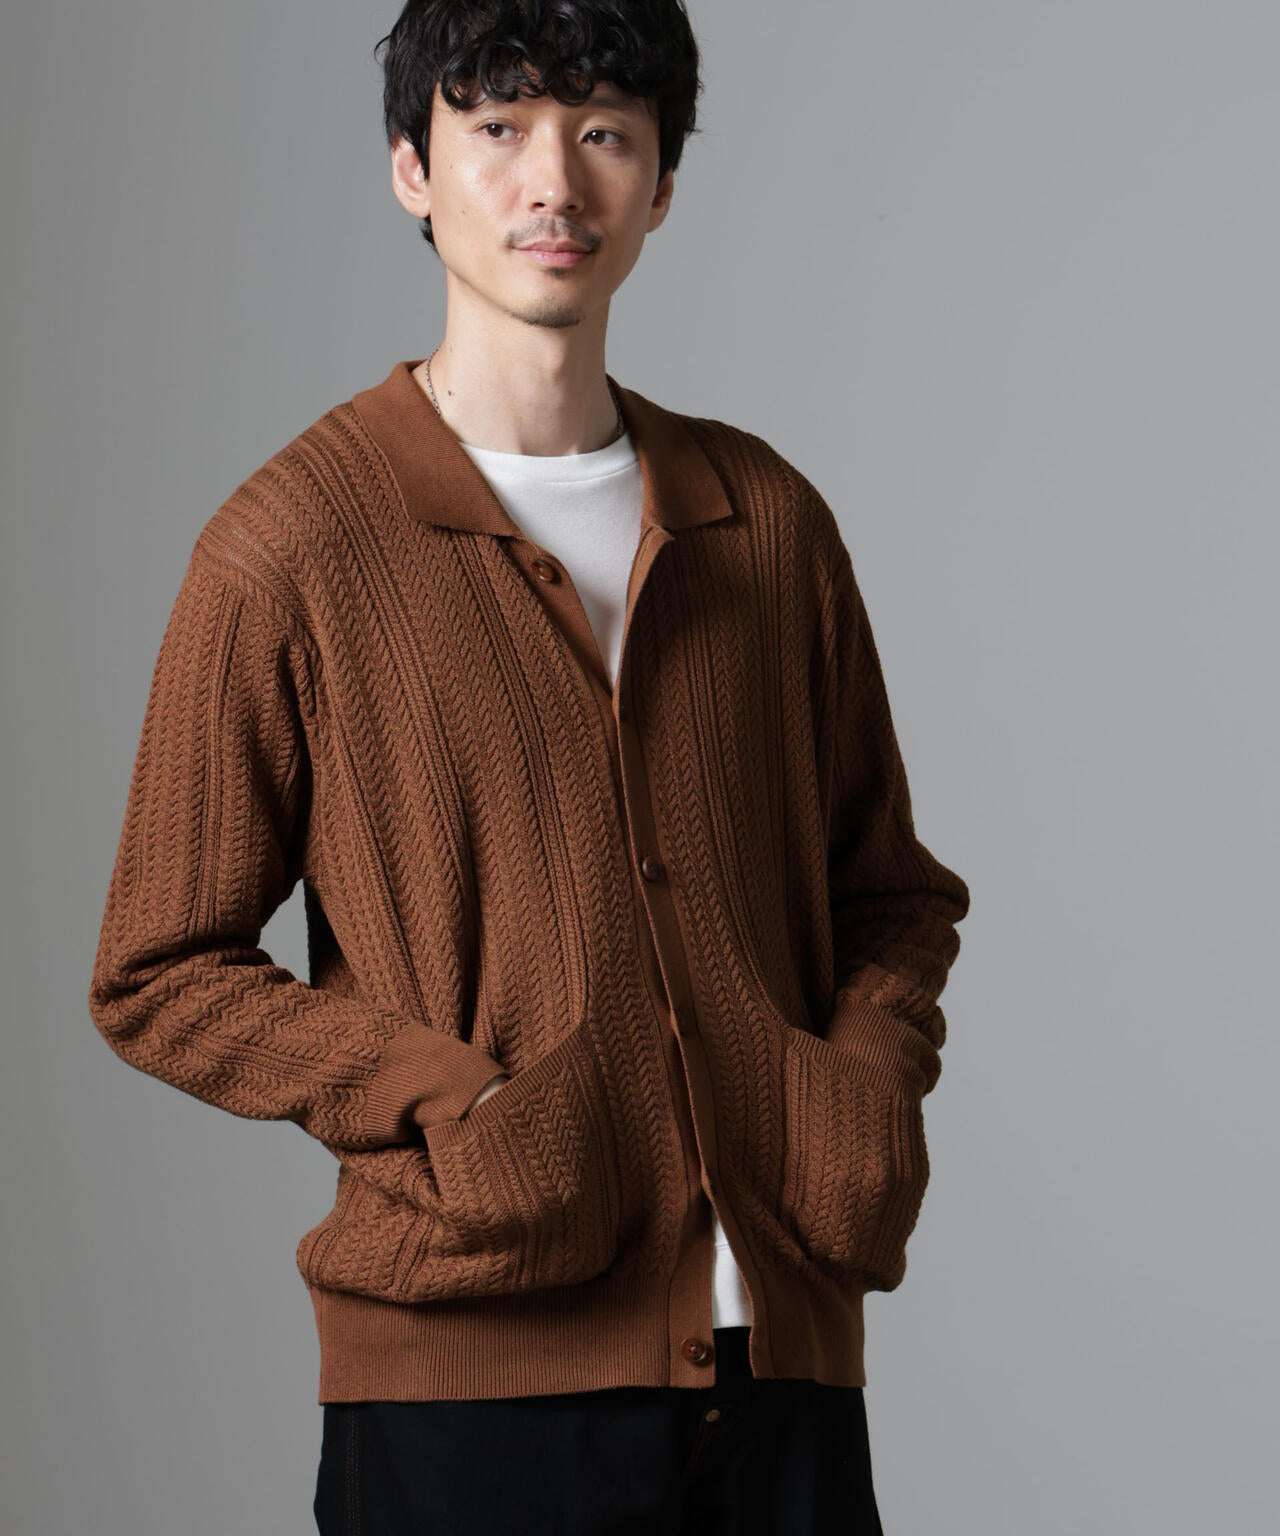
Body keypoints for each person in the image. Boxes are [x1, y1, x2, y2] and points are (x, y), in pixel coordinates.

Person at [88, 2, 970, 1530]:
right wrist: (452, 1105)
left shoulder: (766, 520)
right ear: (411, 169)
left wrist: (854, 1103)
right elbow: (158, 970)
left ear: (662, 184)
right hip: (472, 1392)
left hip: (783, 1375)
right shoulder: (292, 545)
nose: (554, 182)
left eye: (605, 133)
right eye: (498, 129)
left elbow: (890, 896)